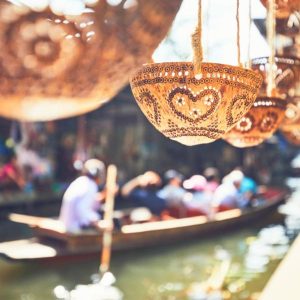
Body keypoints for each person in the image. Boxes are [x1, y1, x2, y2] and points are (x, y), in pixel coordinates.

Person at [59, 158, 107, 233]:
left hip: (68, 224)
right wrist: (98, 223)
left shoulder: (81, 181)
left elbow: (90, 202)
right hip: (74, 228)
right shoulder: (90, 186)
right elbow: (82, 210)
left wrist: (106, 194)